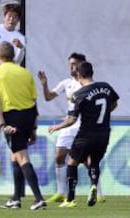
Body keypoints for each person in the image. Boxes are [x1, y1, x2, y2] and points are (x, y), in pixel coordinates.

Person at [49, 61, 119, 208]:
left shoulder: (78, 95)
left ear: (79, 75)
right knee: (93, 162)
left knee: (72, 163)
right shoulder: (106, 87)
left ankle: (70, 199)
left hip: (86, 134)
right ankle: (93, 185)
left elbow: (71, 119)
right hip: (104, 133)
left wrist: (57, 127)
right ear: (92, 72)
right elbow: (114, 104)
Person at [38, 53, 106, 203]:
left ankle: (98, 193)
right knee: (59, 156)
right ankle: (61, 192)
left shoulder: (87, 84)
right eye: (70, 64)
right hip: (69, 125)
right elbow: (48, 97)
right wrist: (44, 84)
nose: (71, 67)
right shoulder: (66, 83)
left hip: (83, 125)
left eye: (74, 64)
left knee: (86, 161)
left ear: (82, 64)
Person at [0, 41, 46, 210]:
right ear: (13, 56)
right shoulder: (25, 73)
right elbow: (34, 102)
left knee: (22, 157)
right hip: (29, 115)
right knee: (15, 156)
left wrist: (3, 124)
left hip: (12, 117)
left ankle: (39, 199)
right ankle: (16, 198)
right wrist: (33, 128)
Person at [0, 3, 26, 180]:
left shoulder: (20, 37)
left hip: (10, 82)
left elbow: (17, 60)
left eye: (15, 17)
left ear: (18, 20)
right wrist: (5, 54)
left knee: (10, 120)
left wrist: (19, 49)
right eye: (9, 16)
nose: (12, 19)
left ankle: (15, 158)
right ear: (4, 17)